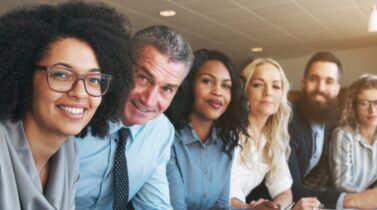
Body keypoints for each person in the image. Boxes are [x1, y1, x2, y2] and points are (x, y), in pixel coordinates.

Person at [0, 2, 132, 210]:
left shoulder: (68, 153)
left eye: (94, 79)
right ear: (25, 76)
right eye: (61, 74)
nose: (79, 92)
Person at [75, 25, 193, 210]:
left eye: (167, 89)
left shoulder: (160, 130)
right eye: (144, 78)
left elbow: (154, 205)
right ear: (122, 66)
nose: (149, 100)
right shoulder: (77, 110)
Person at [288, 51, 377, 209]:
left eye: (329, 81)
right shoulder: (288, 121)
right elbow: (290, 189)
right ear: (302, 83)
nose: (320, 88)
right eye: (314, 79)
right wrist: (360, 199)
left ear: (337, 89)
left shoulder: (330, 120)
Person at [165, 49, 249, 210]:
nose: (217, 92)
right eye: (207, 81)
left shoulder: (226, 142)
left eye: (226, 86)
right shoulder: (169, 138)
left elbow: (222, 206)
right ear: (189, 86)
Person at [229, 58, 293, 209]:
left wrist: (275, 206)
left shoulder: (273, 138)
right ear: (245, 91)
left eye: (276, 86)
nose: (268, 92)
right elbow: (226, 194)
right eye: (258, 85)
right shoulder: (230, 133)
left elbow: (284, 191)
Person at [329, 74, 377, 192]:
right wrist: (369, 200)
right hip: (334, 202)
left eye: (376, 102)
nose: (372, 109)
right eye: (364, 103)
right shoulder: (343, 135)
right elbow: (341, 184)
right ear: (353, 106)